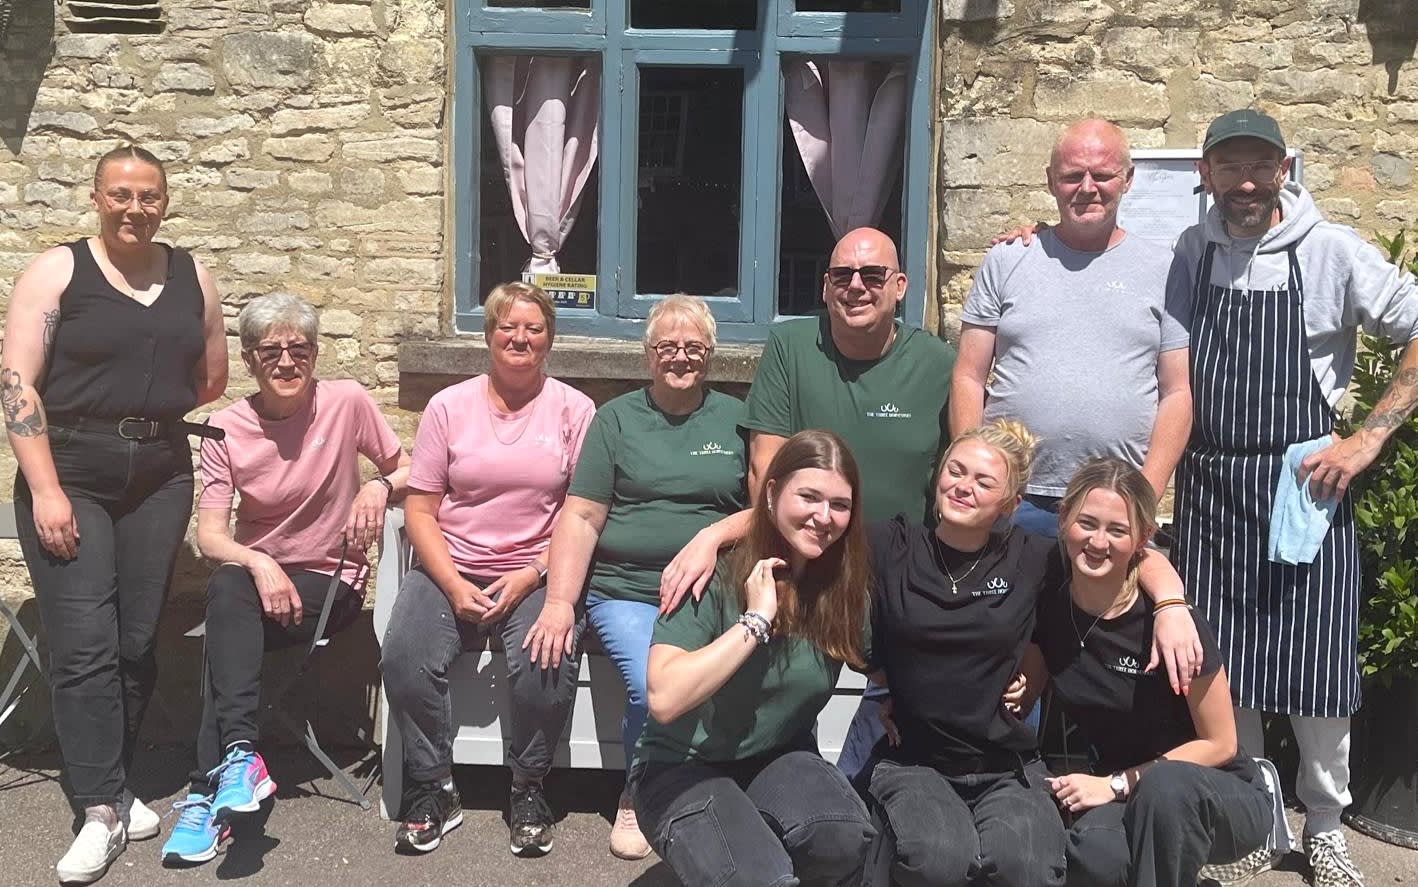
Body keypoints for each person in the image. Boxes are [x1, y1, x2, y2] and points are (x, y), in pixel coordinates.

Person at [1166, 109, 1418, 887]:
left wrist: (1369, 436)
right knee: (1223, 663)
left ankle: (1329, 824)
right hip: (1211, 486)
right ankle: (1252, 818)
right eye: (1228, 165)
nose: (1244, 181)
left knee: (1317, 664)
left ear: (1284, 169)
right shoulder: (1190, 247)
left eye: (1259, 165)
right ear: (1204, 174)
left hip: (1303, 485)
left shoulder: (1332, 248)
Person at [3, 145, 228, 884]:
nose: (136, 208)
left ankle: (117, 778)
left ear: (167, 201)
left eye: (150, 195)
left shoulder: (192, 274)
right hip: (69, 470)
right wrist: (46, 489)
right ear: (96, 196)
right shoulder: (58, 270)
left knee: (134, 636)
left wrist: (146, 415)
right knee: (83, 638)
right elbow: (18, 386)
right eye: (121, 194)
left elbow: (211, 374)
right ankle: (98, 806)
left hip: (160, 473)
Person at [865, 423, 1201, 887]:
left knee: (1027, 867)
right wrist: (722, 535)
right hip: (917, 758)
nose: (964, 486)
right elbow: (798, 525)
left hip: (1005, 766)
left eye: (984, 482)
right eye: (955, 471)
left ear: (1011, 504)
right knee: (937, 858)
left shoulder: (1034, 558)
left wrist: (1170, 604)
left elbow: (1127, 550)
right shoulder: (893, 546)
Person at [159, 294, 410, 865]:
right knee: (229, 596)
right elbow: (211, 536)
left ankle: (206, 789)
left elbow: (408, 466)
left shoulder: (346, 402)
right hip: (255, 586)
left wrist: (379, 486)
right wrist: (261, 561)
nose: (287, 361)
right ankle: (236, 764)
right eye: (271, 350)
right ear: (248, 359)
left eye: (300, 348)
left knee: (227, 624)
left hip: (331, 584)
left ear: (316, 353)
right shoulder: (226, 427)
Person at [380, 281, 595, 858]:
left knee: (547, 658)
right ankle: (434, 787)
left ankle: (527, 787)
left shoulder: (576, 410)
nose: (520, 337)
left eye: (534, 328)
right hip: (453, 562)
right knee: (404, 656)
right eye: (508, 326)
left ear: (550, 338)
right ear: (489, 334)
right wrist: (450, 583)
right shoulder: (448, 407)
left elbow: (582, 513)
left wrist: (532, 575)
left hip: (536, 569)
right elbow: (420, 508)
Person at [733, 226, 956, 783]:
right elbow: (766, 466)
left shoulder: (938, 363)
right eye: (842, 275)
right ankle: (788, 779)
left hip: (900, 573)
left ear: (900, 286)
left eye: (873, 275)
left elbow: (961, 476)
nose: (856, 286)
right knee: (784, 686)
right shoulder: (790, 346)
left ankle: (860, 793)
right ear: (825, 286)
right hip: (811, 561)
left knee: (902, 693)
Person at [531, 295, 747, 860]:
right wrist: (559, 601)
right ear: (648, 356)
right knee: (654, 684)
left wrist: (713, 539)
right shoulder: (617, 419)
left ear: (711, 356)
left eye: (693, 347)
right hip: (626, 589)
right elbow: (580, 515)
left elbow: (766, 506)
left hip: (709, 589)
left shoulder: (736, 420)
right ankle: (641, 791)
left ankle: (715, 785)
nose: (680, 357)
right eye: (668, 347)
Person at [630, 430, 876, 887]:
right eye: (809, 496)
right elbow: (664, 697)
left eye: (839, 505)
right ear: (771, 493)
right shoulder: (713, 572)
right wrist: (755, 621)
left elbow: (889, 662)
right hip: (680, 768)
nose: (824, 516)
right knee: (759, 878)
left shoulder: (842, 591)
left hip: (778, 756)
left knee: (845, 837)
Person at [1022, 458, 1272, 887]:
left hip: (1215, 790)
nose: (1098, 541)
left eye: (1117, 530)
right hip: (1123, 785)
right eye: (1087, 523)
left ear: (1143, 539)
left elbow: (1221, 743)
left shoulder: (1170, 624)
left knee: (1166, 790)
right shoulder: (1052, 600)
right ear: (1063, 519)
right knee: (1097, 857)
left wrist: (1117, 784)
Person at [950, 118, 1191, 536]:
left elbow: (1177, 392)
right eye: (1071, 175)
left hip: (1115, 501)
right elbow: (968, 375)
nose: (1087, 187)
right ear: (1050, 181)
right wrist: (979, 476)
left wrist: (1145, 496)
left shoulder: (1165, 270)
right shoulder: (1008, 259)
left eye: (1102, 175)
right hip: (1013, 496)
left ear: (1128, 180)